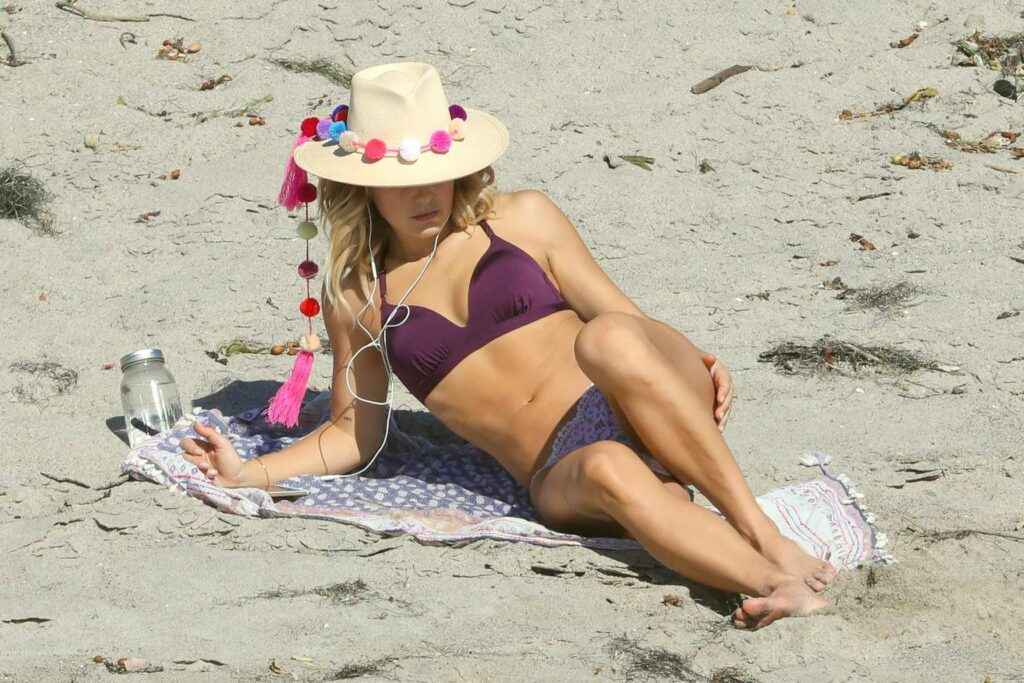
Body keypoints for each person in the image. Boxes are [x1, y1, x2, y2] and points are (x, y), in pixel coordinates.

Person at [180, 62, 834, 629]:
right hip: (560, 469)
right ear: (364, 187)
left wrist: (696, 360)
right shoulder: (357, 294)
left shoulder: (522, 218)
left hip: (634, 394)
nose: (425, 194)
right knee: (610, 469)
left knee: (605, 337)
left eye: (436, 172)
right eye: (403, 180)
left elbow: (626, 323)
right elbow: (354, 433)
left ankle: (762, 532)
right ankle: (774, 583)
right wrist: (250, 474)